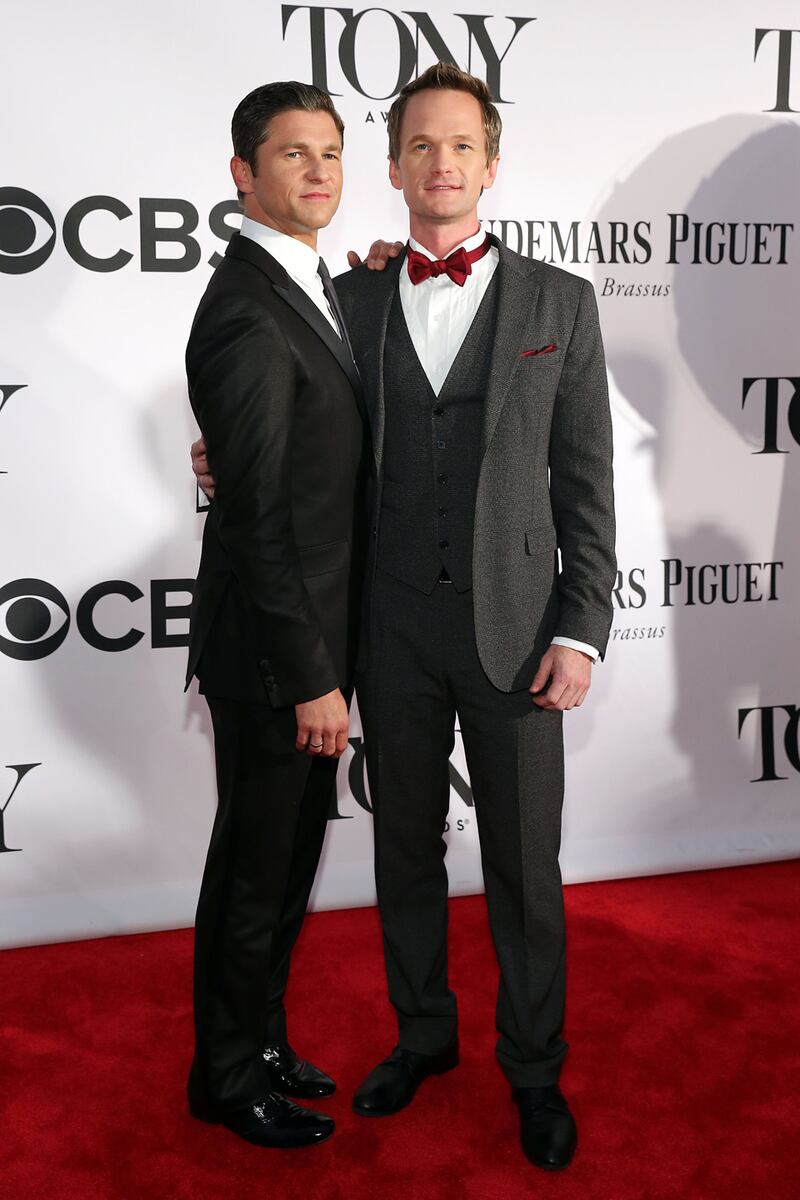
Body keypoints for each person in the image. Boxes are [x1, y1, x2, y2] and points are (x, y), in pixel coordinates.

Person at [194, 62, 615, 1171]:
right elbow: (302, 436)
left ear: (489, 163)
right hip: (387, 634)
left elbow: (585, 482)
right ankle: (421, 1036)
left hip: (520, 632)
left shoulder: (560, 303)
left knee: (525, 868)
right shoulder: (354, 298)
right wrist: (223, 462)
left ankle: (531, 1066)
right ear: (393, 168)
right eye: (418, 147)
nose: (439, 164)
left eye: (460, 146)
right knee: (402, 852)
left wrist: (579, 628)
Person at [184, 80, 366, 1149]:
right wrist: (308, 676)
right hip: (274, 653)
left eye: (329, 152)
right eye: (290, 154)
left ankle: (257, 1040)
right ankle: (220, 1076)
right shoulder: (247, 307)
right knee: (253, 870)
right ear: (243, 175)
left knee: (290, 860)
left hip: (310, 639)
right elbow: (255, 517)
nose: (315, 171)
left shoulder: (309, 283)